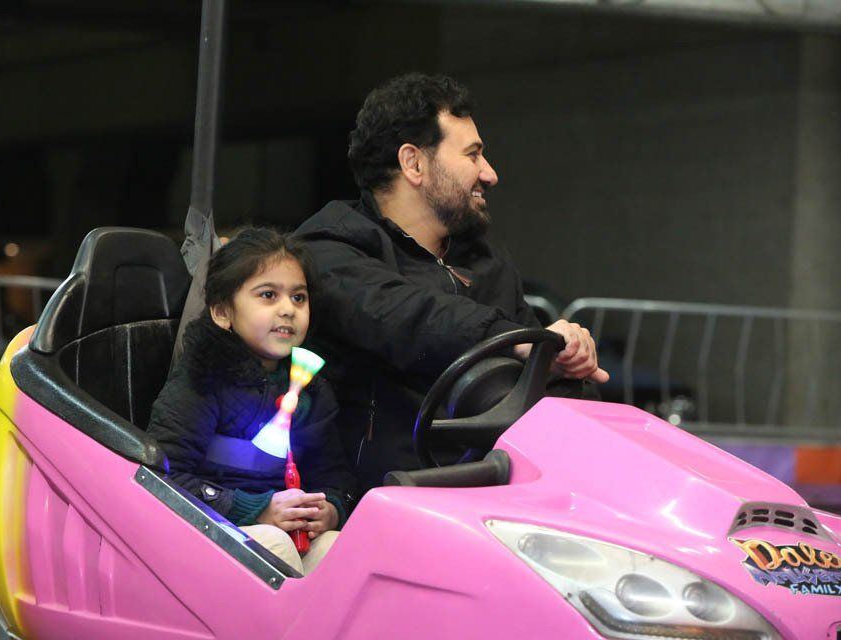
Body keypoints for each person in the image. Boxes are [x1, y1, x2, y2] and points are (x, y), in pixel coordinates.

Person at [295, 73, 609, 493]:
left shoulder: (485, 260)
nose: (490, 174)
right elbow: (408, 317)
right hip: (379, 502)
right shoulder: (328, 250)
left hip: (492, 497)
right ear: (414, 164)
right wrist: (518, 340)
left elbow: (537, 376)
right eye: (473, 155)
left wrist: (567, 357)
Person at [147, 228, 355, 575]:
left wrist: (330, 509)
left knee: (339, 547)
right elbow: (163, 477)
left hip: (286, 528)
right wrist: (255, 509)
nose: (288, 309)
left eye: (298, 297)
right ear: (222, 312)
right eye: (268, 295)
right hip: (207, 530)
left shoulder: (312, 388)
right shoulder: (202, 379)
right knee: (273, 546)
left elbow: (335, 476)